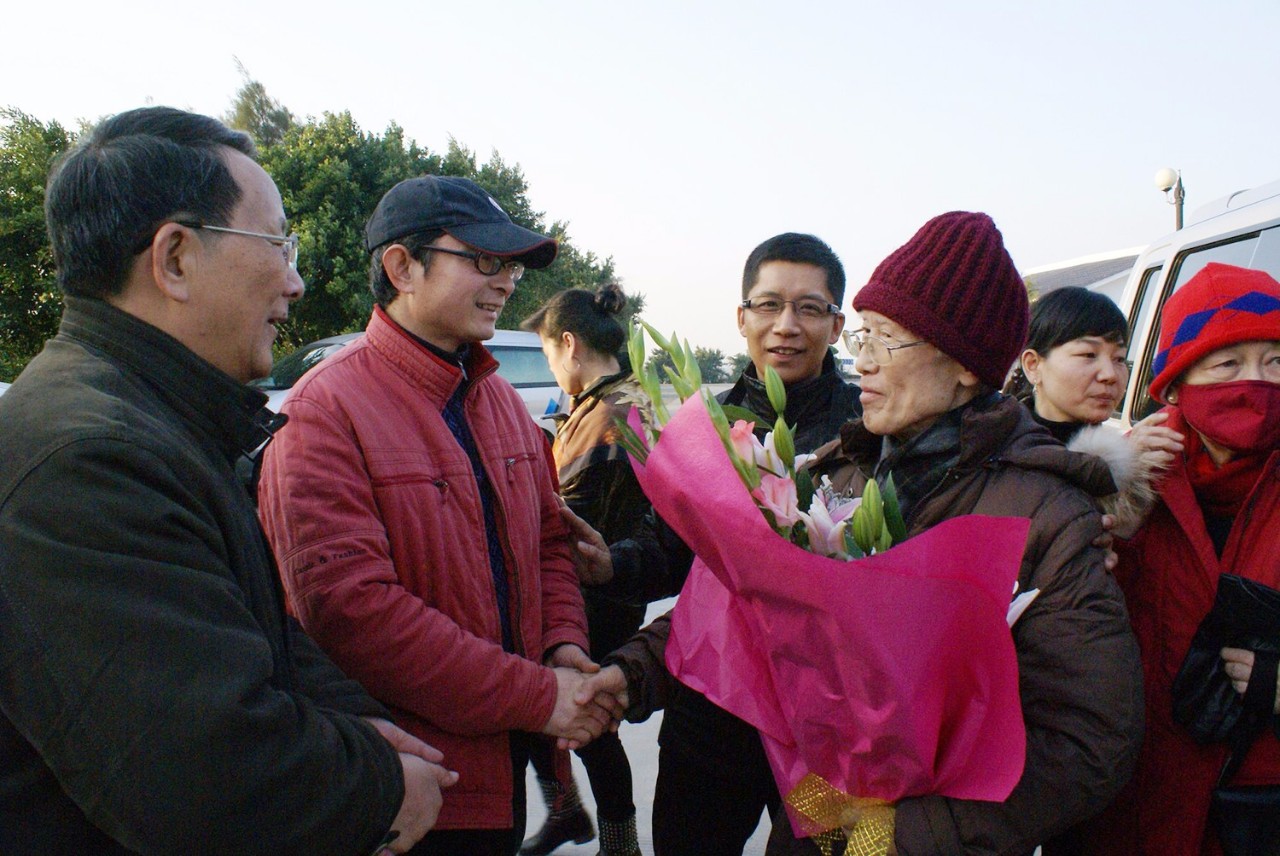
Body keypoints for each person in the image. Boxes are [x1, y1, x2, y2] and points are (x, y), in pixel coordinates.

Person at [0, 106, 455, 855]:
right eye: (277, 244)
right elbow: (205, 776)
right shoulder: (86, 460)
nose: (297, 281)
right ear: (175, 259)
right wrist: (380, 781)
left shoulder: (160, 421)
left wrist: (358, 729)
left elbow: (252, 633)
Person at [761, 211, 1144, 854]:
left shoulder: (1047, 516)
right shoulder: (845, 472)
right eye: (864, 338)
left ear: (965, 368)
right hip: (822, 802)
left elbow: (1089, 742)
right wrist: (625, 676)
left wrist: (901, 834)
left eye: (887, 342)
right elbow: (750, 596)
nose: (865, 365)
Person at [257, 175, 614, 856]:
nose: (506, 281)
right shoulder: (324, 412)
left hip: (504, 770)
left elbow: (547, 543)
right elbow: (351, 614)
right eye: (483, 260)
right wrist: (539, 696)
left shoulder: (504, 404)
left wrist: (561, 645)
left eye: (509, 265)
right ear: (401, 267)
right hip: (412, 788)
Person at [565, 232, 862, 855]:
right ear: (742, 317)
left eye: (810, 308)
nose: (786, 325)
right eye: (768, 305)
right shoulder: (703, 428)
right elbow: (672, 555)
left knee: (845, 848)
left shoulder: (870, 432)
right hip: (711, 725)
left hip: (821, 739)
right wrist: (609, 566)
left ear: (836, 324)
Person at [1090, 262, 1280, 855]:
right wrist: (1114, 502)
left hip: (1258, 810)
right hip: (1139, 801)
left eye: (1276, 362)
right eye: (1228, 365)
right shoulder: (1130, 476)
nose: (1256, 383)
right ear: (1176, 385)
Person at [517, 284, 649, 856]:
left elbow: (572, 516)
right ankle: (572, 813)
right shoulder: (606, 403)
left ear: (569, 344)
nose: (552, 368)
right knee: (547, 712)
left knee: (588, 722)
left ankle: (617, 840)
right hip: (601, 585)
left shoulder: (614, 415)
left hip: (601, 592)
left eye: (549, 354)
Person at [1004, 285, 1184, 537]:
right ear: (1033, 365)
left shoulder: (1143, 460)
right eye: (1088, 354)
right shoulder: (997, 456)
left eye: (1119, 358)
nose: (1110, 375)